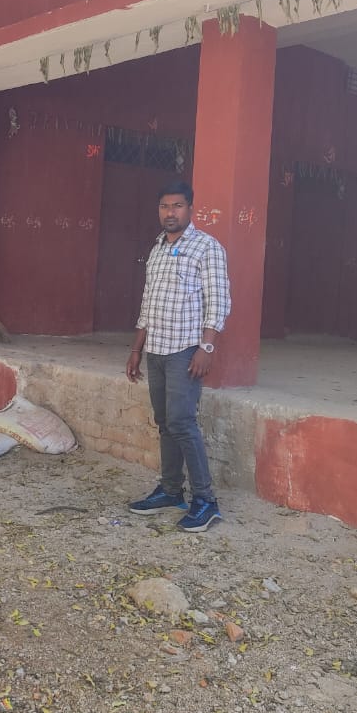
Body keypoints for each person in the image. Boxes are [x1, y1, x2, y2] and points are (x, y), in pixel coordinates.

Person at [125, 181, 232, 533]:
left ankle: (206, 501)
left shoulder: (207, 247)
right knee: (165, 423)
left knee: (183, 422)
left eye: (177, 206)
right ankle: (171, 490)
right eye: (164, 206)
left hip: (185, 349)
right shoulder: (157, 248)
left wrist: (206, 348)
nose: (170, 212)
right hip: (155, 348)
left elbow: (218, 302)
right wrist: (137, 349)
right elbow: (148, 302)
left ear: (190, 209)